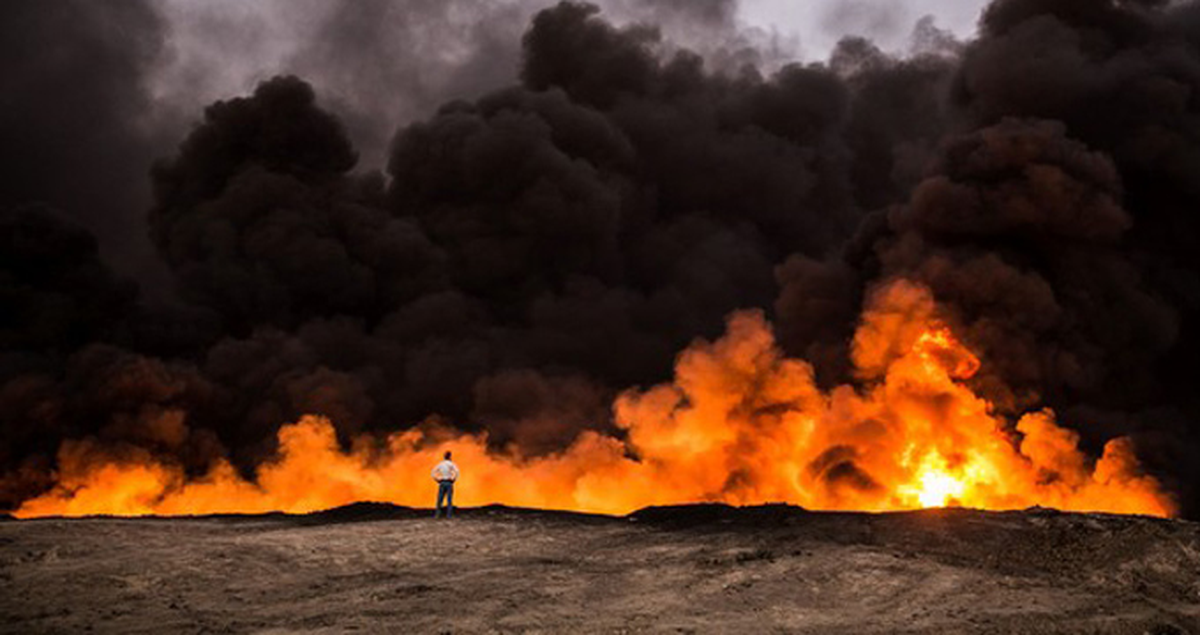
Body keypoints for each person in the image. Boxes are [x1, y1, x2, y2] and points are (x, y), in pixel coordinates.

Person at [431, 451, 459, 518]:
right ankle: (449, 515)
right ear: (450, 456)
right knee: (449, 499)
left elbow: (433, 472)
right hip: (449, 482)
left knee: (440, 499)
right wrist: (453, 479)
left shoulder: (441, 464)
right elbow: (457, 472)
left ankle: (437, 514)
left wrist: (437, 479)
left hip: (442, 482)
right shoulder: (451, 464)